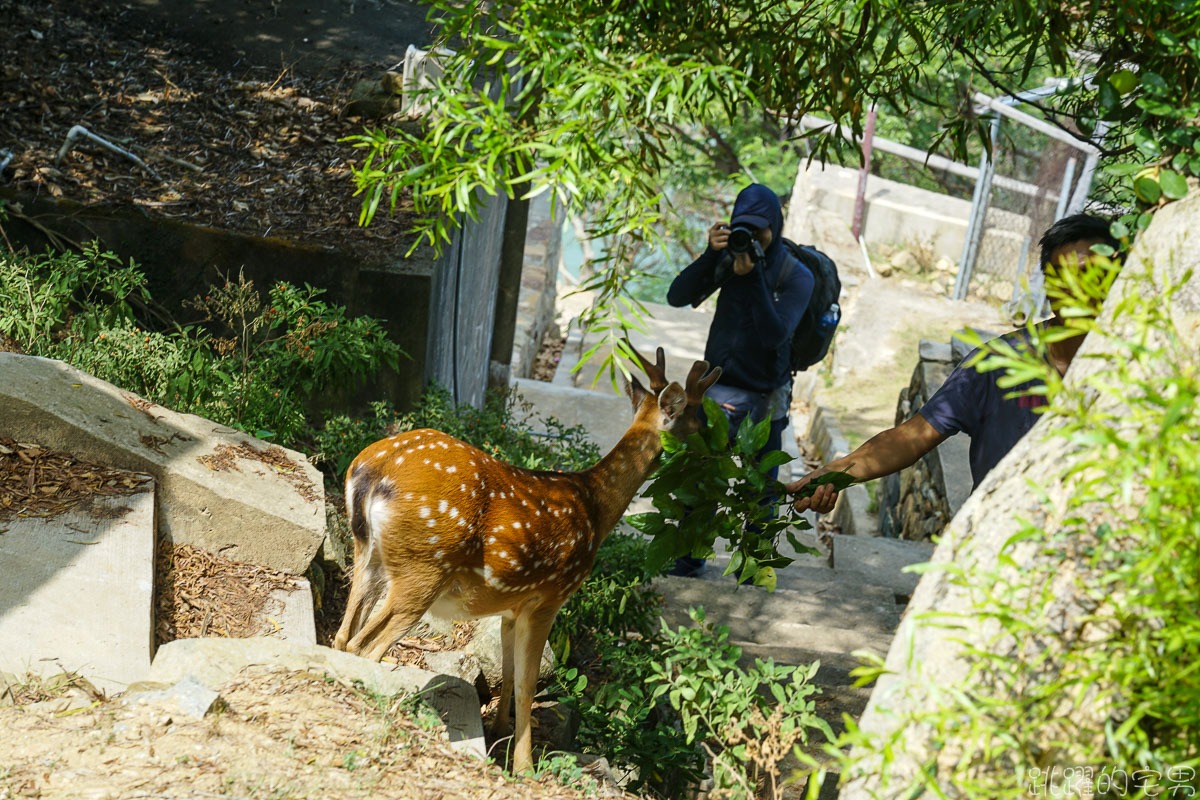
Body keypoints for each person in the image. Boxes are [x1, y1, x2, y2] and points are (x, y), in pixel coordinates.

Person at [788, 213, 1120, 515]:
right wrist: (839, 471)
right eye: (1067, 277)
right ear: (1049, 286)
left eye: (1095, 275)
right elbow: (914, 435)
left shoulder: (1135, 372)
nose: (1082, 290)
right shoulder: (998, 363)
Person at [666, 183, 814, 576]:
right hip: (716, 389)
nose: (752, 237)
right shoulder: (728, 260)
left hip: (765, 397)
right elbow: (676, 296)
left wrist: (753, 278)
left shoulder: (795, 275)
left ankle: (752, 565)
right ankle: (687, 560)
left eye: (760, 230)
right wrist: (709, 256)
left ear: (775, 227)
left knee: (760, 487)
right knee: (701, 478)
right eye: (742, 228)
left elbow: (774, 334)